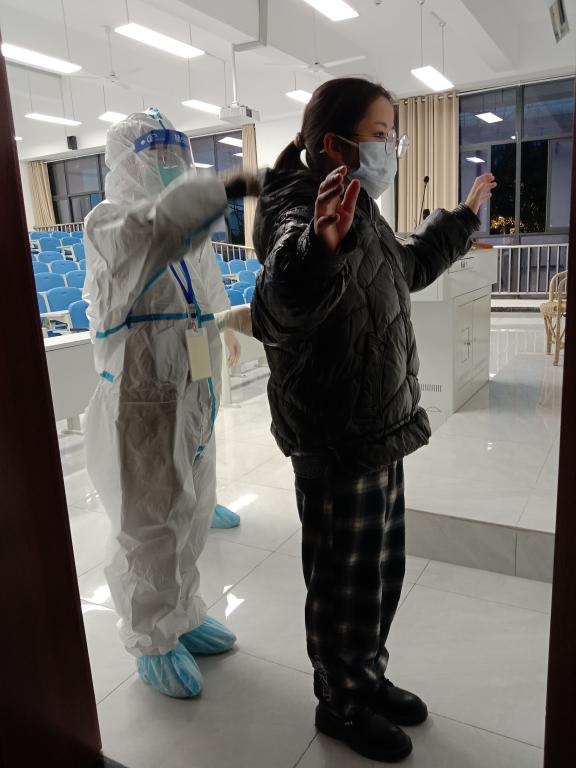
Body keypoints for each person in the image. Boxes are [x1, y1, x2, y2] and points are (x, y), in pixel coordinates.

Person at [251, 78, 495, 762]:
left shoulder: (361, 206)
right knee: (343, 582)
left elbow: (405, 269)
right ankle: (341, 703)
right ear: (336, 144)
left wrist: (461, 219)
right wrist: (320, 247)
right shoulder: (298, 208)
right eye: (382, 135)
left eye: (394, 135)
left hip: (378, 423)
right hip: (336, 433)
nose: (392, 147)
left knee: (378, 575)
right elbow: (278, 303)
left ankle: (366, 676)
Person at [84, 108, 254, 698]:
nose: (172, 163)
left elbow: (205, 292)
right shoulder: (109, 223)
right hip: (141, 400)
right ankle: (150, 636)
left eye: (179, 152)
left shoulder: (189, 232)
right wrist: (224, 189)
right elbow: (157, 228)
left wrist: (224, 329)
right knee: (149, 522)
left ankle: (183, 611)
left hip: (191, 387)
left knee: (193, 508)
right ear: (127, 162)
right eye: (158, 153)